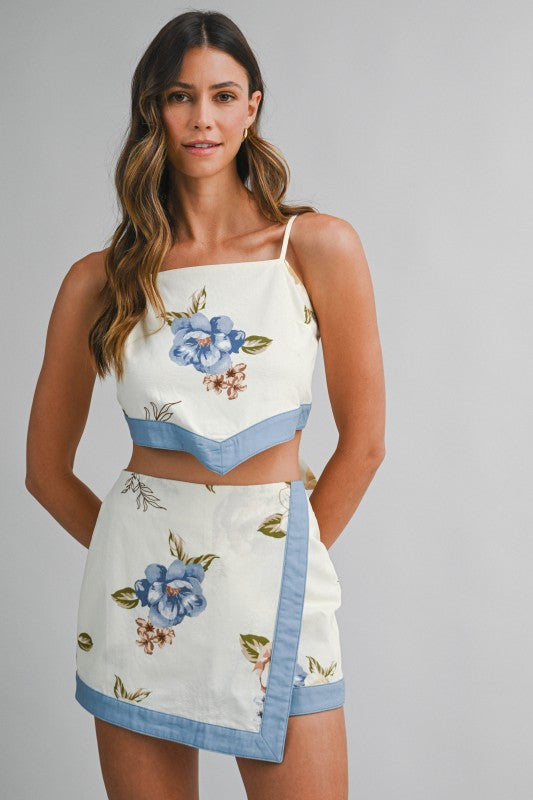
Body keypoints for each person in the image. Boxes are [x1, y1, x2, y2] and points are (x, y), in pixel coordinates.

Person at [25, 10, 385, 800]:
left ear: (251, 107)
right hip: (145, 605)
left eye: (222, 96)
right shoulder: (99, 279)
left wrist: (287, 561)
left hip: (277, 582)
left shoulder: (315, 247)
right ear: (153, 109)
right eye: (180, 96)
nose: (202, 118)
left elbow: (363, 445)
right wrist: (130, 553)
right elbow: (44, 472)